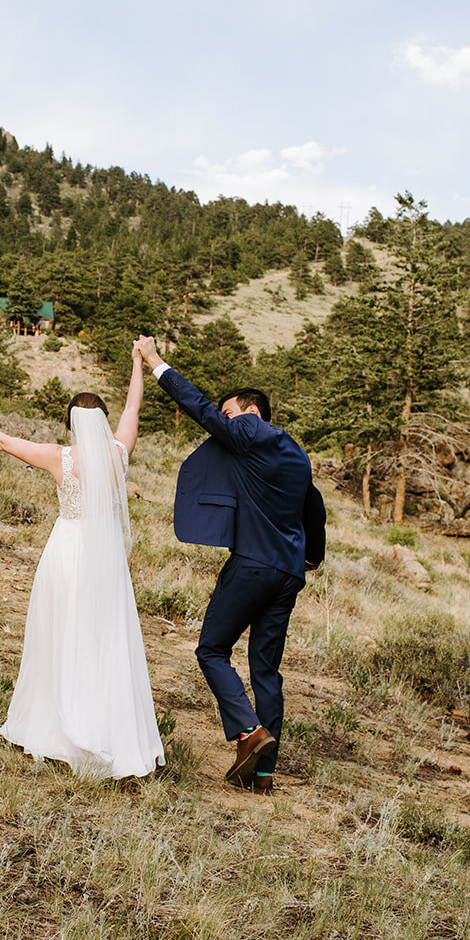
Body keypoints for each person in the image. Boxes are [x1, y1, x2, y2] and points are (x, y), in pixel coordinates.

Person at [0, 358, 164, 779]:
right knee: (104, 637)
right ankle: (112, 730)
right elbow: (134, 408)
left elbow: (2, 441)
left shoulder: (61, 458)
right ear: (102, 422)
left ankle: (58, 724)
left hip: (68, 553)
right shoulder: (120, 452)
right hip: (108, 559)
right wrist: (137, 362)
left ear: (71, 425)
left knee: (61, 631)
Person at [133, 335, 325, 794]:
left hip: (253, 566)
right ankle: (262, 774)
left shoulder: (252, 431)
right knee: (265, 669)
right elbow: (313, 507)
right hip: (287, 574)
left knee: (211, 649)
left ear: (251, 414)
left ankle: (249, 731)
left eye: (230, 414)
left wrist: (157, 362)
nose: (223, 423)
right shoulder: (295, 452)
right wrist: (311, 556)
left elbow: (199, 407)